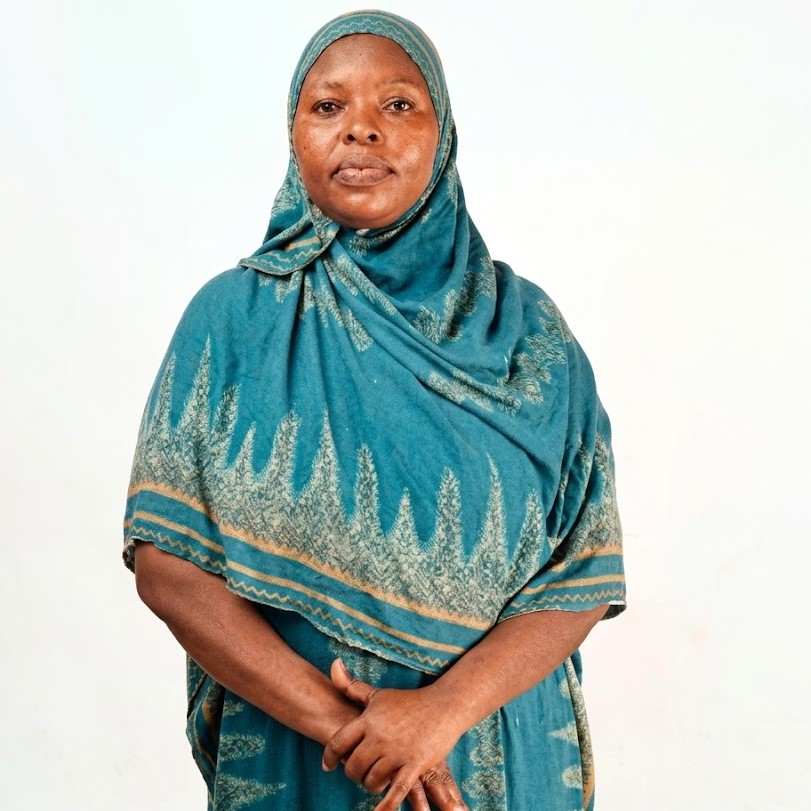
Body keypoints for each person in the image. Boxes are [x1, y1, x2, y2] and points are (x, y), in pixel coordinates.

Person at [124, 9, 626, 811]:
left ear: (442, 132)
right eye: (328, 106)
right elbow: (168, 565)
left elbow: (582, 569)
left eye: (397, 105)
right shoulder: (235, 319)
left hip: (496, 757)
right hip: (303, 759)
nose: (360, 129)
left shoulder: (529, 335)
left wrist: (438, 715)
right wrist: (357, 734)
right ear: (294, 133)